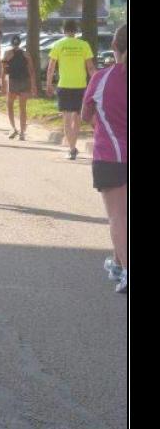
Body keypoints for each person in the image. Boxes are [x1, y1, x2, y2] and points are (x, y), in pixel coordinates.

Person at [81, 24, 128, 294]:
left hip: (111, 156)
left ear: (114, 46)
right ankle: (118, 264)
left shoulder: (102, 78)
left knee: (118, 217)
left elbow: (86, 115)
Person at [46, 18, 95, 160]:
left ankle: (72, 148)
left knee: (66, 118)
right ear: (76, 30)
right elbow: (90, 67)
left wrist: (49, 84)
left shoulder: (58, 45)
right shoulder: (84, 45)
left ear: (64, 30)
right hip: (80, 86)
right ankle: (73, 146)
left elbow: (50, 68)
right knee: (77, 117)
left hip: (64, 85)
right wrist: (97, 83)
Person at [2, 35, 37, 140]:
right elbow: (31, 70)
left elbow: (3, 70)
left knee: (10, 105)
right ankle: (22, 132)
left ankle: (13, 128)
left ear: (11, 43)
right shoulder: (26, 54)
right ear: (20, 43)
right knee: (23, 107)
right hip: (25, 81)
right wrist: (33, 85)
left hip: (12, 81)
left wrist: (3, 84)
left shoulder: (7, 54)